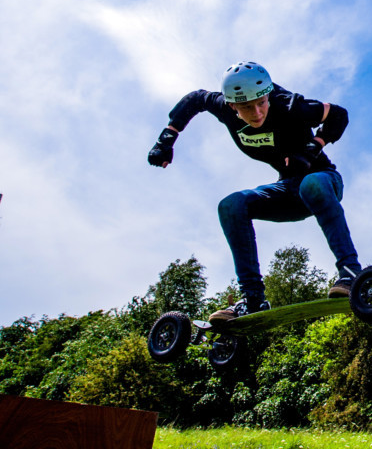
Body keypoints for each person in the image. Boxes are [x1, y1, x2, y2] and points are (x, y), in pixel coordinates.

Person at [148, 61, 361, 322]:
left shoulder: (288, 104)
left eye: (261, 102)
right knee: (231, 204)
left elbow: (339, 115)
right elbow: (194, 100)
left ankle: (351, 273)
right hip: (289, 192)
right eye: (247, 107)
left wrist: (311, 148)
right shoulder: (221, 107)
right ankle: (253, 300)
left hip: (324, 181)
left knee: (311, 184)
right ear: (232, 105)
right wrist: (167, 138)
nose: (257, 112)